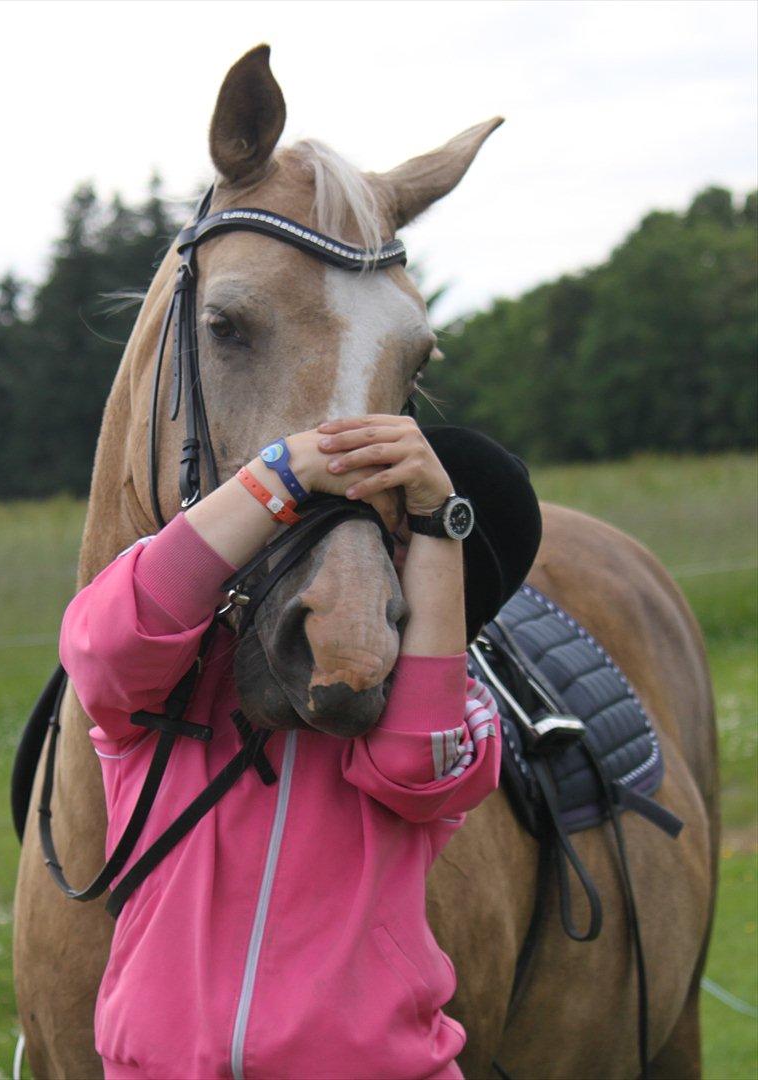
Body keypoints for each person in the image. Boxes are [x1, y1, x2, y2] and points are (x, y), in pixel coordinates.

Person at [59, 414, 542, 1080]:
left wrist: (437, 526)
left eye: (386, 542)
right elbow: (105, 643)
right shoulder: (179, 681)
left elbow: (410, 758)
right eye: (334, 517)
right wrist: (278, 473)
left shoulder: (458, 719)